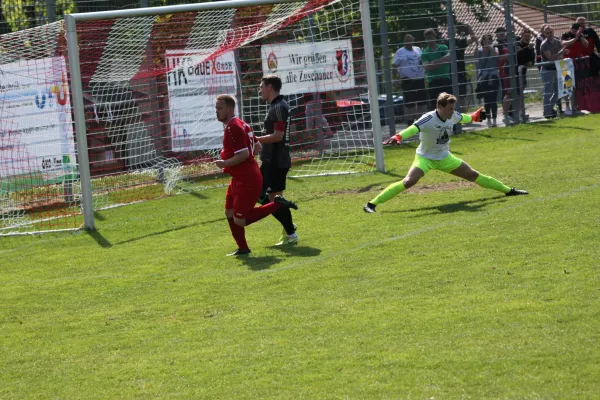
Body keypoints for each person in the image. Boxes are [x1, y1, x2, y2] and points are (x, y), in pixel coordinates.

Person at [363, 92, 528, 213]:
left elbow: (462, 117)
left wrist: (474, 117)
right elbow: (413, 128)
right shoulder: (428, 118)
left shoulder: (452, 115)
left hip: (444, 157)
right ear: (440, 107)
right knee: (409, 181)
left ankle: (509, 191)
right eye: (449, 108)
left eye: (453, 108)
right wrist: (398, 136)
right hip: (425, 158)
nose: (452, 111)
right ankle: (371, 204)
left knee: (473, 175)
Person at [214, 94, 298, 256]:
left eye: (220, 108)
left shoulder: (233, 127)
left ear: (230, 109)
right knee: (229, 212)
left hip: (247, 179)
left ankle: (278, 204)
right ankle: (243, 248)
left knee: (241, 219)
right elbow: (257, 146)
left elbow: (244, 154)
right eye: (216, 108)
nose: (217, 112)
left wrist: (224, 163)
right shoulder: (241, 124)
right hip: (241, 177)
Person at [257, 75, 299, 246]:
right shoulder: (277, 106)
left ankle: (290, 231)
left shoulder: (279, 107)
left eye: (261, 86)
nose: (260, 90)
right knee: (266, 196)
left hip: (275, 161)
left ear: (270, 87)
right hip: (272, 160)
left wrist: (256, 139)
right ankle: (288, 224)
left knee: (262, 195)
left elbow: (278, 136)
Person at [392, 33, 428, 127]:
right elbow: (394, 65)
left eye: (411, 40)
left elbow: (423, 61)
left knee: (422, 103)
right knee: (410, 104)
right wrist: (395, 79)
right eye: (407, 40)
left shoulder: (418, 49)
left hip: (420, 79)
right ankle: (410, 125)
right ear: (404, 41)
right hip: (408, 81)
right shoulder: (400, 52)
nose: (409, 42)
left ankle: (421, 124)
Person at [540, 25, 569, 119]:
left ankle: (549, 109)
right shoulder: (544, 44)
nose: (549, 34)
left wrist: (562, 53)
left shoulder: (557, 41)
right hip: (547, 70)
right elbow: (550, 58)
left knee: (558, 91)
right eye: (547, 33)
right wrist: (561, 52)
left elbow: (560, 57)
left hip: (557, 69)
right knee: (548, 92)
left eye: (550, 32)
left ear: (553, 31)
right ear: (544, 34)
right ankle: (547, 112)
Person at [421, 28, 453, 110]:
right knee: (435, 106)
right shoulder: (424, 53)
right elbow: (427, 67)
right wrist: (442, 60)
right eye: (427, 38)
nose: (429, 40)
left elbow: (449, 58)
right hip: (433, 82)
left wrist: (434, 62)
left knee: (448, 104)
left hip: (445, 79)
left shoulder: (443, 47)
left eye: (431, 38)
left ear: (435, 37)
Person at [561, 23, 589, 115]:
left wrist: (580, 37)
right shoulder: (565, 35)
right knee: (567, 86)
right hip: (566, 63)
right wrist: (576, 38)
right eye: (573, 30)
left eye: (576, 30)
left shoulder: (580, 36)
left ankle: (576, 106)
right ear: (570, 29)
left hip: (577, 63)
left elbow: (586, 45)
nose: (575, 32)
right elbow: (564, 44)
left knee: (577, 86)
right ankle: (567, 107)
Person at [476, 34, 501, 127]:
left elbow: (496, 56)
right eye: (485, 40)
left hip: (494, 76)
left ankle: (494, 119)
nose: (487, 41)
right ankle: (488, 119)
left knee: (493, 99)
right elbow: (477, 57)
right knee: (486, 99)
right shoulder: (479, 51)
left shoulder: (494, 49)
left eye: (489, 39)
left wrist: (490, 47)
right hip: (484, 77)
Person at [515, 29, 536, 122]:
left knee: (520, 93)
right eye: (525, 36)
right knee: (514, 94)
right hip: (514, 73)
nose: (527, 38)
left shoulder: (530, 47)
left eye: (528, 36)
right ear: (521, 36)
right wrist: (528, 50)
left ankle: (520, 113)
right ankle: (513, 113)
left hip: (522, 73)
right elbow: (519, 56)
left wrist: (531, 61)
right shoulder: (517, 44)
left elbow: (532, 59)